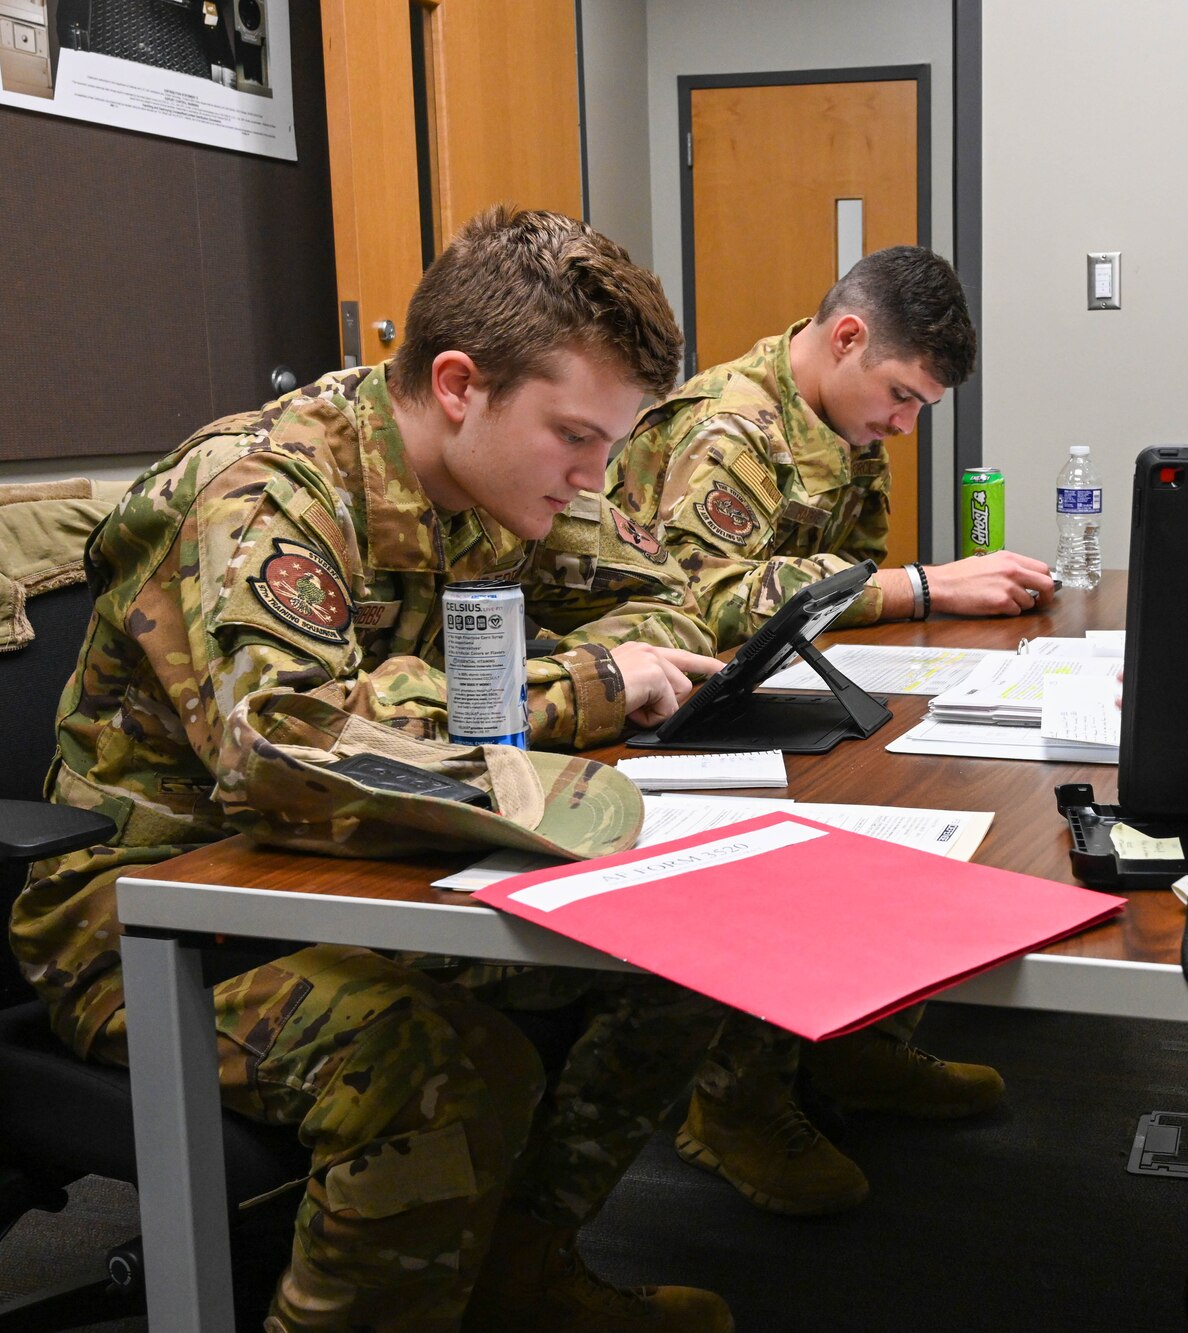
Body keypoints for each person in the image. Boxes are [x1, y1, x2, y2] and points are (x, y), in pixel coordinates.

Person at [10, 206, 738, 1333]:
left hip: (333, 873)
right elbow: (287, 749)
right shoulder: (267, 492)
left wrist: (585, 661)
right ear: (459, 384)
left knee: (674, 962)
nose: (595, 478)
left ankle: (515, 1273)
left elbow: (668, 595)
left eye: (611, 444)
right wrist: (583, 682)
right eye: (577, 437)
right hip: (145, 913)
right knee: (436, 1067)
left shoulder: (482, 480)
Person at [604, 246, 1044, 1217]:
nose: (902, 421)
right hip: (657, 703)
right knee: (808, 842)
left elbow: (829, 582)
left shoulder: (840, 425)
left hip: (755, 683)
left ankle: (855, 1048)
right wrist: (925, 585)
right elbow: (711, 600)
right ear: (845, 337)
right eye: (899, 394)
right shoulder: (729, 426)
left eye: (918, 406)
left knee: (914, 788)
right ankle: (733, 1103)